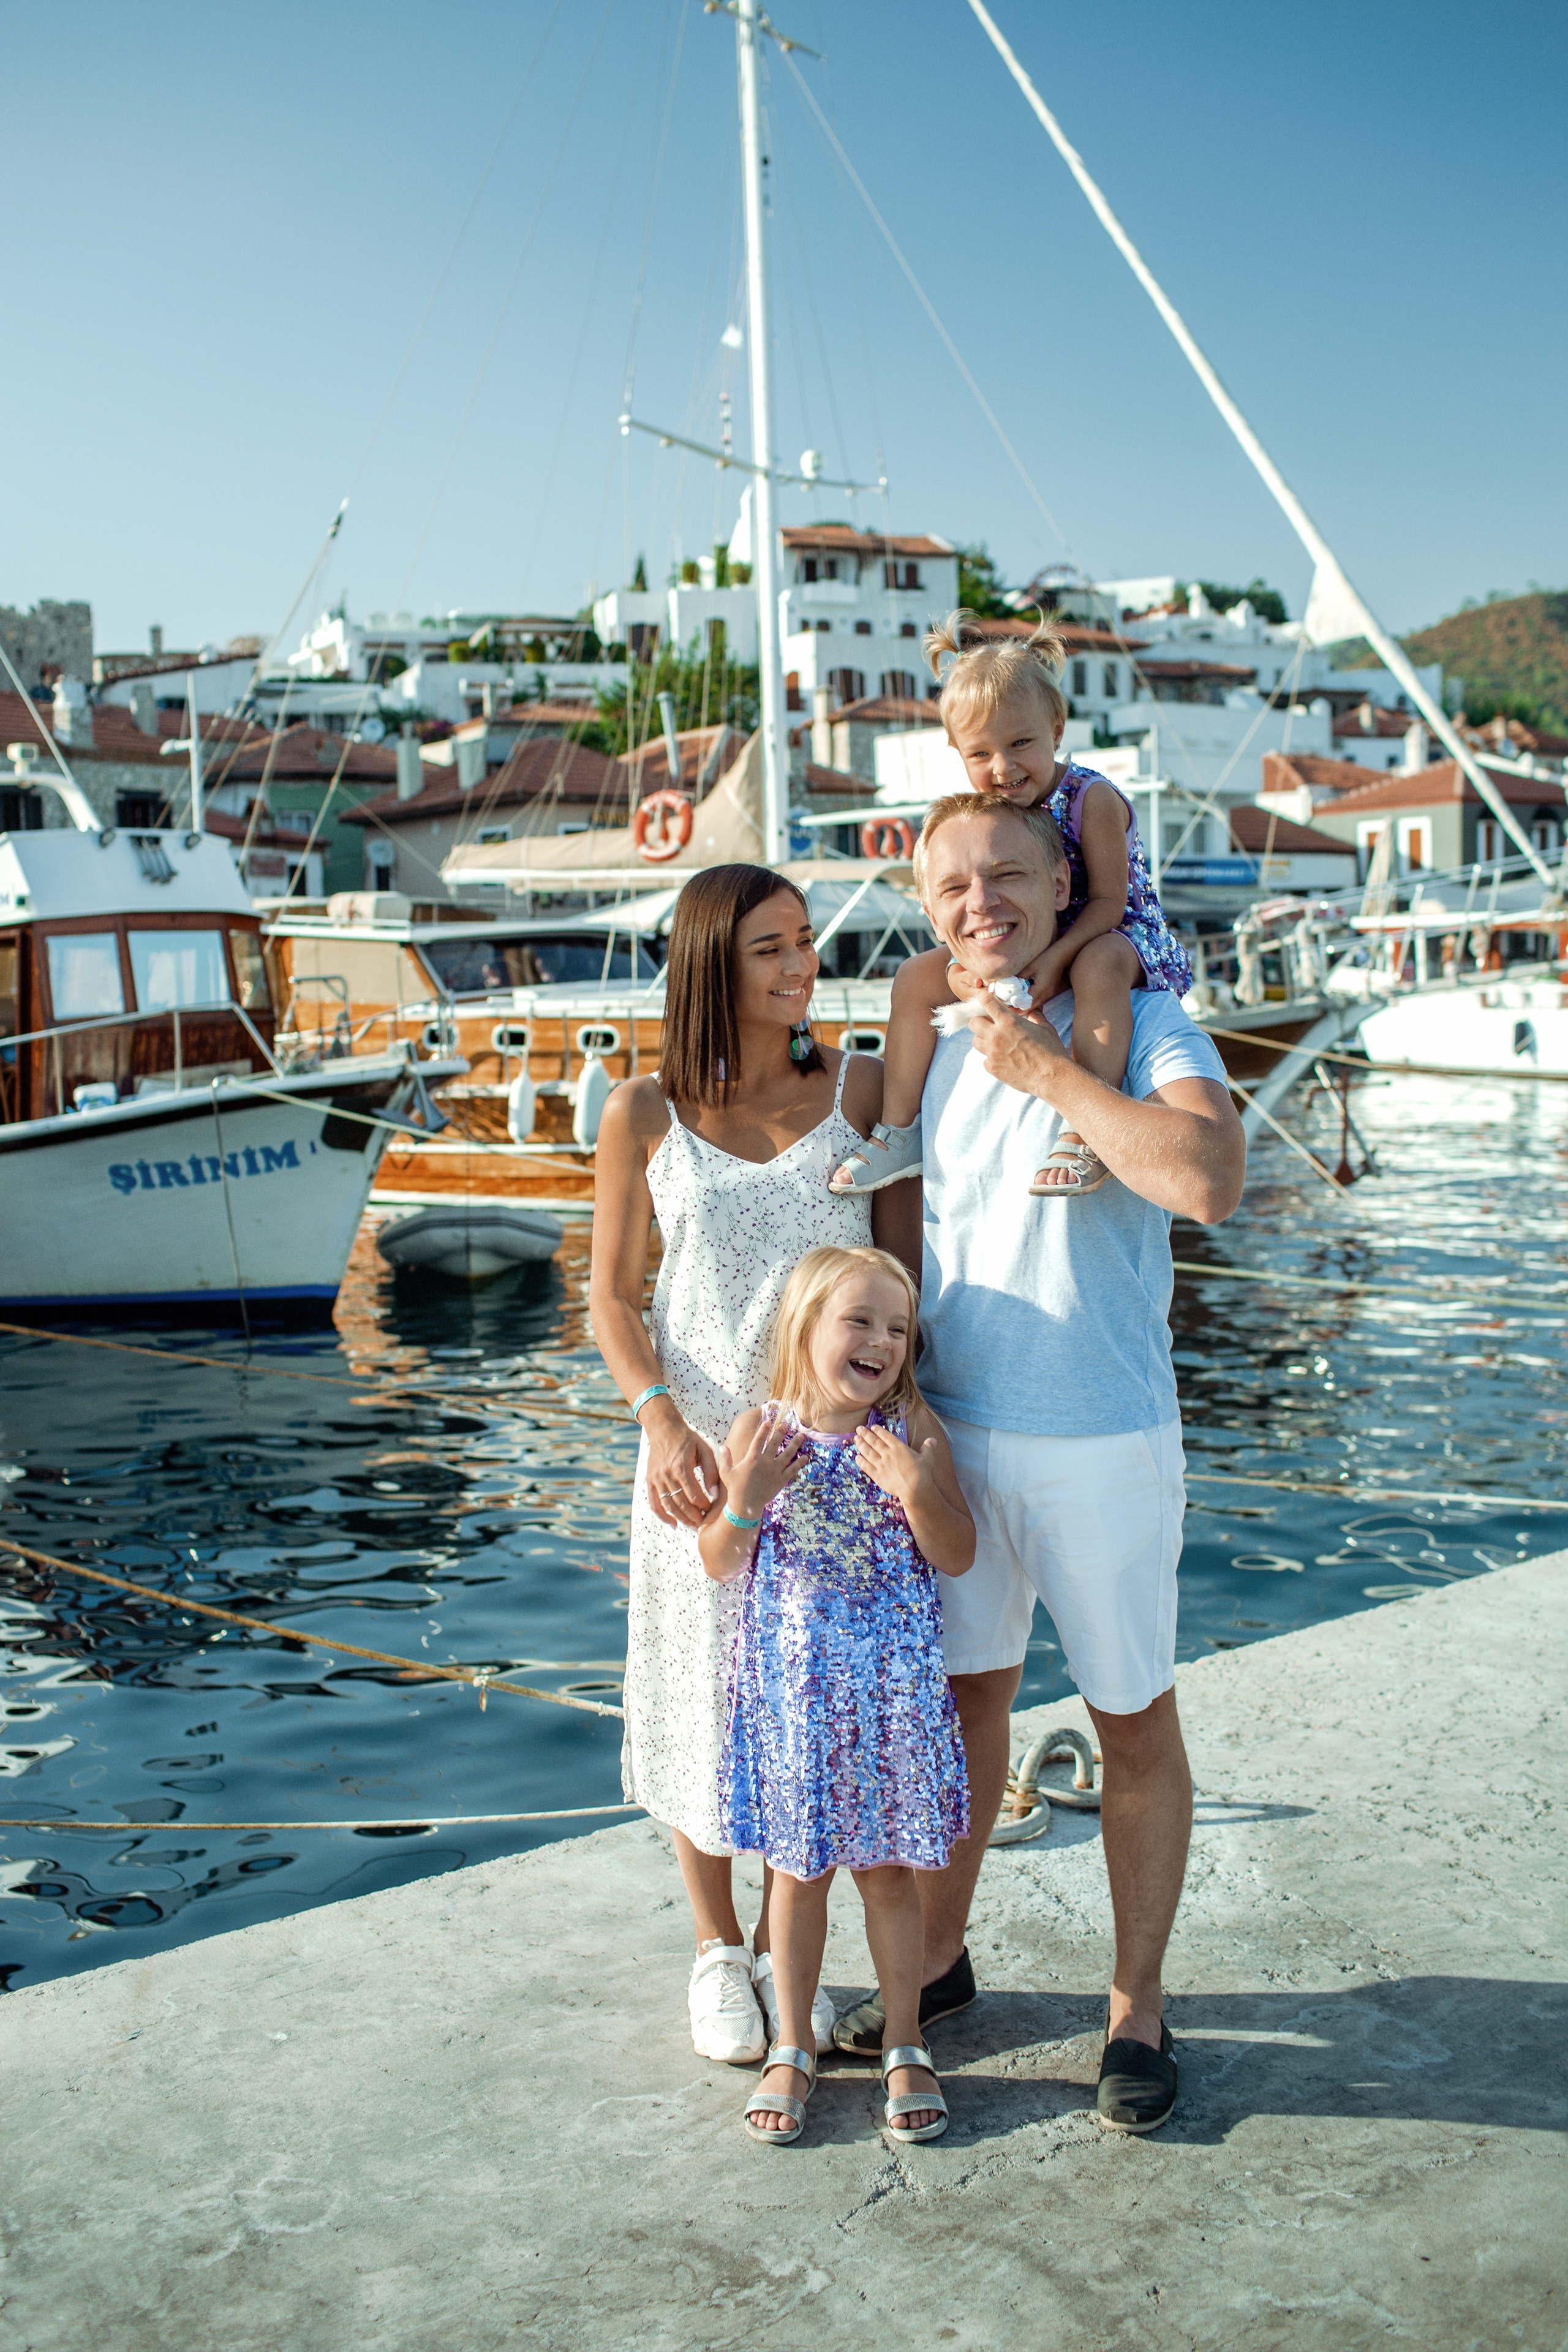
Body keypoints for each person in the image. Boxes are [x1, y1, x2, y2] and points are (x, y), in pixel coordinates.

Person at [845, 791, 1245, 2136]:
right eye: (951, 885)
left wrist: (1059, 1078)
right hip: (954, 1435)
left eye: (1006, 874)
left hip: (1103, 1439)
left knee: (1128, 1723)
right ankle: (942, 1967)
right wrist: (896, 1399)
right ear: (925, 903)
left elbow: (1205, 1178)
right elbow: (899, 1219)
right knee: (962, 1717)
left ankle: (1134, 2007)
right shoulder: (928, 1037)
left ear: (1058, 873)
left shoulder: (1129, 1021)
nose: (979, 903)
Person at [589, 864, 884, 2068]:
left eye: (806, 942)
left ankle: (787, 1956)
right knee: (698, 1703)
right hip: (699, 1465)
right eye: (771, 947)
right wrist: (658, 1423)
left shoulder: (857, 1086)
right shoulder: (642, 1111)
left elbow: (902, 1277)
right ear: (713, 962)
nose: (800, 965)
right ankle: (717, 1951)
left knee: (803, 1716)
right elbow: (608, 1300)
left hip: (832, 1466)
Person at [699, 1244, 975, 2147]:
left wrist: (917, 1489)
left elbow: (958, 1552)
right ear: (805, 1328)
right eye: (859, 1321)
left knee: (890, 1875)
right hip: (798, 1701)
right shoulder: (759, 1434)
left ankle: (903, 2041)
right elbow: (718, 1557)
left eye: (897, 1329)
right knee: (796, 1873)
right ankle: (792, 2046)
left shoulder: (912, 1437)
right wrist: (746, 1497)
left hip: (890, 1699)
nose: (882, 1342)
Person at [831, 610, 1191, 1200]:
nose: (1003, 768)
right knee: (917, 976)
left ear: (1056, 728)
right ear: (957, 752)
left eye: (1021, 743)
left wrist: (1057, 961)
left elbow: (1108, 901)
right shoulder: (991, 810)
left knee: (1097, 965)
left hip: (1115, 933)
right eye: (981, 754)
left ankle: (1085, 1132)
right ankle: (899, 1130)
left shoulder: (1089, 798)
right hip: (1035, 938)